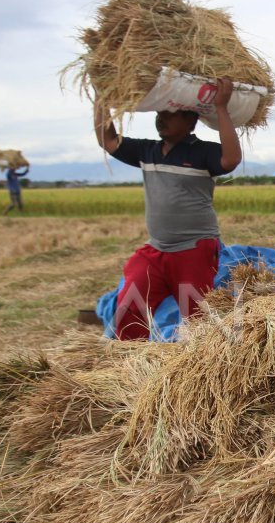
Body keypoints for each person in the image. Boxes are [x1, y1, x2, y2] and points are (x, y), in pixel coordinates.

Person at [93, 77, 241, 340]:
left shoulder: (202, 153)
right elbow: (108, 140)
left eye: (169, 114)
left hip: (194, 249)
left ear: (190, 121)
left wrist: (221, 108)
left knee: (197, 320)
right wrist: (100, 95)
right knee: (129, 307)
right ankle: (128, 362)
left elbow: (231, 159)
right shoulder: (147, 150)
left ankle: (199, 368)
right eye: (159, 113)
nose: (161, 119)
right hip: (157, 249)